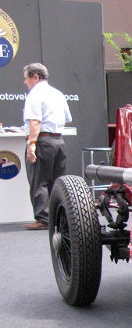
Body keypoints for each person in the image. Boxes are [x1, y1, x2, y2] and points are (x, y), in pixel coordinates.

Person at [22, 62, 72, 230]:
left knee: (39, 181)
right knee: (56, 181)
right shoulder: (58, 94)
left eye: (26, 79)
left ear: (35, 77)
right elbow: (66, 118)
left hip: (42, 141)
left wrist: (31, 144)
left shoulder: (35, 95)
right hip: (59, 141)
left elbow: (35, 121)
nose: (25, 83)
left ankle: (43, 219)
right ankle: (58, 217)